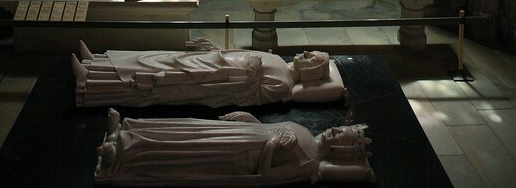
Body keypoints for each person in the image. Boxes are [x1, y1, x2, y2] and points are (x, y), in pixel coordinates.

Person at [95, 108, 375, 185]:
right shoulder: (305, 131)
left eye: (342, 136)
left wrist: (272, 145)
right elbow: (266, 130)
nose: (335, 129)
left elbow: (265, 177)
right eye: (340, 128)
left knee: (181, 149)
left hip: (232, 154)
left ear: (343, 151)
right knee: (186, 127)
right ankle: (124, 131)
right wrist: (250, 119)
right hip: (235, 134)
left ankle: (120, 156)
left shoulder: (309, 163)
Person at [71, 41, 344, 108]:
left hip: (208, 79)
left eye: (311, 58)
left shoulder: (284, 86)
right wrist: (215, 48)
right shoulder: (280, 62)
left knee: (152, 77)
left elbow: (249, 94)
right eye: (310, 52)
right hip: (211, 60)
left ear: (310, 73)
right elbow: (240, 52)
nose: (304, 54)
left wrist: (249, 71)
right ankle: (99, 61)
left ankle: (93, 81)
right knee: (155, 58)